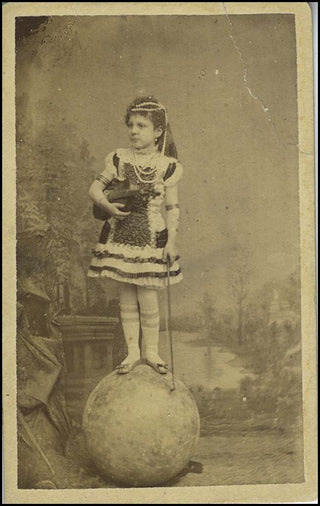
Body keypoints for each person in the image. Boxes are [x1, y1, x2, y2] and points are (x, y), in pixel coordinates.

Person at [88, 96, 183, 374]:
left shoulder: (167, 165)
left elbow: (172, 207)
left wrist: (173, 242)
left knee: (148, 295)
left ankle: (151, 351)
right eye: (131, 125)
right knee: (126, 295)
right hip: (120, 237)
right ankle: (132, 352)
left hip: (152, 239)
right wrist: (106, 205)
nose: (134, 131)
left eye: (142, 126)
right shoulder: (119, 159)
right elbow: (94, 189)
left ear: (158, 132)